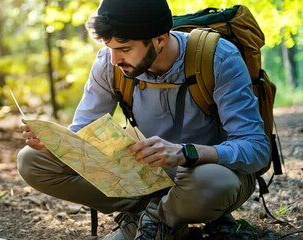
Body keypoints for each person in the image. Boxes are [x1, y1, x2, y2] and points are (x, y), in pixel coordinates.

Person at [17, 0, 269, 239]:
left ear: (160, 38)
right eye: (110, 48)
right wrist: (57, 143)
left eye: (125, 49)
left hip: (205, 173)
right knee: (33, 160)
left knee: (212, 183)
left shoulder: (218, 57)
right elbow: (83, 130)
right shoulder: (109, 63)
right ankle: (156, 214)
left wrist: (186, 153)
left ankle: (159, 220)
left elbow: (256, 148)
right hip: (146, 174)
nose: (115, 60)